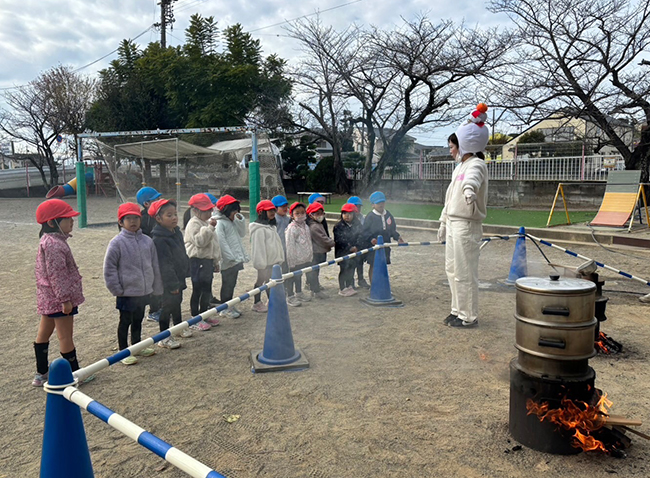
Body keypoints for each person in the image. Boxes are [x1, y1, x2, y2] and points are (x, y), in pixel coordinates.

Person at [437, 103, 490, 328]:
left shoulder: (475, 164)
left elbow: (473, 180)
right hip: (454, 222)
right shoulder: (459, 167)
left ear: (465, 144)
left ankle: (468, 316)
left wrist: (470, 190)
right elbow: (450, 197)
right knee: (452, 269)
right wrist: (443, 221)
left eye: (452, 146)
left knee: (465, 271)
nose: (450, 150)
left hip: (466, 225)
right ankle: (457, 309)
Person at [32, 199, 85, 386]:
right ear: (52, 222)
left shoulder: (49, 241)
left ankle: (41, 373)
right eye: (67, 218)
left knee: (43, 333)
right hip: (59, 300)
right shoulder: (54, 244)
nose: (72, 222)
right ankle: (74, 374)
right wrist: (65, 300)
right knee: (65, 336)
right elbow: (57, 275)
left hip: (48, 299)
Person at [103, 202, 162, 365]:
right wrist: (116, 288)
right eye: (128, 218)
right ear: (121, 222)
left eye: (136, 218)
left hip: (143, 291)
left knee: (138, 320)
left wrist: (155, 287)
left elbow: (154, 264)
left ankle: (137, 346)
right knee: (125, 321)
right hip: (126, 292)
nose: (133, 221)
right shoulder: (117, 242)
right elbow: (109, 268)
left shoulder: (147, 241)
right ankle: (123, 351)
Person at [150, 199, 190, 348]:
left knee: (177, 303)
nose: (174, 217)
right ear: (158, 219)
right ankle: (164, 336)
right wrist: (172, 283)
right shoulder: (159, 240)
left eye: (175, 214)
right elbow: (164, 264)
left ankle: (178, 328)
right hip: (168, 280)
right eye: (169, 215)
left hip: (178, 276)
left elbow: (182, 253)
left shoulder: (177, 232)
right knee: (167, 307)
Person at [183, 193, 221, 330]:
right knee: (198, 289)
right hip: (197, 260)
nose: (209, 213)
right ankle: (195, 317)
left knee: (207, 289)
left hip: (207, 261)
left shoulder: (205, 222)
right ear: (195, 210)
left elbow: (214, 244)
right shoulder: (193, 224)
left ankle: (204, 314)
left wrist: (215, 261)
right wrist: (209, 228)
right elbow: (200, 242)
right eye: (205, 210)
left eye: (210, 210)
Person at [214, 195, 249, 319]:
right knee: (227, 283)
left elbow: (242, 233)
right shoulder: (219, 223)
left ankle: (229, 305)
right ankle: (224, 308)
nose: (235, 213)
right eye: (233, 210)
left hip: (235, 259)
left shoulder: (231, 221)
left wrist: (239, 220)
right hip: (228, 260)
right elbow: (221, 242)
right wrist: (230, 258)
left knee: (232, 283)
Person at [249, 200, 285, 313]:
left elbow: (276, 244)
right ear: (261, 212)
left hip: (273, 261)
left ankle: (271, 300)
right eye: (269, 210)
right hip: (265, 262)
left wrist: (279, 257)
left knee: (271, 281)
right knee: (261, 281)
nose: (272, 212)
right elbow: (258, 248)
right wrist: (261, 264)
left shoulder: (270, 227)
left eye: (273, 210)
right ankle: (257, 302)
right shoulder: (259, 230)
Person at [361, 191, 404, 281]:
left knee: (383, 265)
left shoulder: (388, 215)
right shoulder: (370, 216)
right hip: (374, 246)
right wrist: (371, 239)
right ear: (373, 205)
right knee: (373, 265)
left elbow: (392, 229)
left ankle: (383, 284)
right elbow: (365, 231)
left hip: (386, 244)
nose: (381, 205)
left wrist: (397, 237)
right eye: (378, 203)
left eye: (382, 202)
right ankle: (373, 285)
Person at [137, 186, 163, 322]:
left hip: (160, 255)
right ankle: (154, 311)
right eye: (156, 199)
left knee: (161, 282)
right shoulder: (144, 219)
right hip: (149, 257)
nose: (160, 201)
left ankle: (161, 307)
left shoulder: (159, 216)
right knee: (154, 283)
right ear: (146, 204)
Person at [284, 202, 313, 307]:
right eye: (297, 213)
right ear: (292, 215)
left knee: (299, 276)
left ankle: (299, 292)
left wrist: (309, 256)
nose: (300, 215)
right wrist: (291, 261)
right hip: (295, 259)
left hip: (304, 258)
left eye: (302, 213)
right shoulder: (292, 228)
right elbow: (289, 245)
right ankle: (290, 296)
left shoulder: (306, 226)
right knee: (292, 277)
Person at [306, 202, 335, 299]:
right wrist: (333, 243)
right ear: (311, 215)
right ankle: (315, 290)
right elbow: (323, 239)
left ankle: (314, 289)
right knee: (314, 272)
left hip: (320, 251)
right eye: (316, 213)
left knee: (315, 271)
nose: (320, 216)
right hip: (316, 252)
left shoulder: (318, 224)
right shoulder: (314, 226)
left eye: (321, 213)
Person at [334, 203, 362, 297]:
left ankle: (349, 285)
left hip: (355, 252)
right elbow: (339, 240)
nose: (347, 216)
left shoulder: (357, 224)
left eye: (350, 213)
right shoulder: (338, 226)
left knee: (352, 268)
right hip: (342, 252)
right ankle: (342, 288)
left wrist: (357, 246)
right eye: (344, 213)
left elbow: (360, 236)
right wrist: (349, 247)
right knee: (344, 269)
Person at [346, 196, 369, 289]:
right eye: (355, 206)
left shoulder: (362, 218)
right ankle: (351, 282)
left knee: (360, 263)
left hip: (361, 244)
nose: (357, 208)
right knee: (351, 265)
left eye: (359, 206)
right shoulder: (347, 219)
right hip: (351, 245)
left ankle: (361, 279)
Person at [272, 195, 291, 276]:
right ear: (275, 208)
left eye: (286, 206)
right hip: (277, 250)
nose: (285, 208)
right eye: (282, 207)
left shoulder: (288, 219)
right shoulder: (274, 220)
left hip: (287, 249)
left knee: (286, 270)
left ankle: (286, 287)